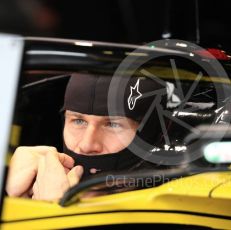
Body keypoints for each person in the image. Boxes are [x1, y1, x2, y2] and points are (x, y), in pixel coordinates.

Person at [6, 73, 166, 201]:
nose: (86, 145)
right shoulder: (29, 184)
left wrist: (53, 214)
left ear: (151, 134)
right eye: (78, 121)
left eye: (112, 125)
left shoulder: (174, 205)